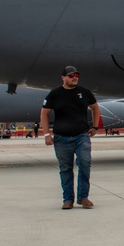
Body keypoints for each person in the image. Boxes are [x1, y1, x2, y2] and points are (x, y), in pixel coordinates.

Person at [41, 66, 102, 210]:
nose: (74, 77)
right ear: (63, 78)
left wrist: (95, 127)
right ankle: (68, 199)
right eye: (71, 75)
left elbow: (95, 108)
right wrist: (46, 134)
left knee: (85, 163)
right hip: (61, 138)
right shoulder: (54, 94)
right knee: (65, 169)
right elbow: (44, 113)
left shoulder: (84, 92)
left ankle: (83, 197)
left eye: (76, 75)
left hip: (82, 136)